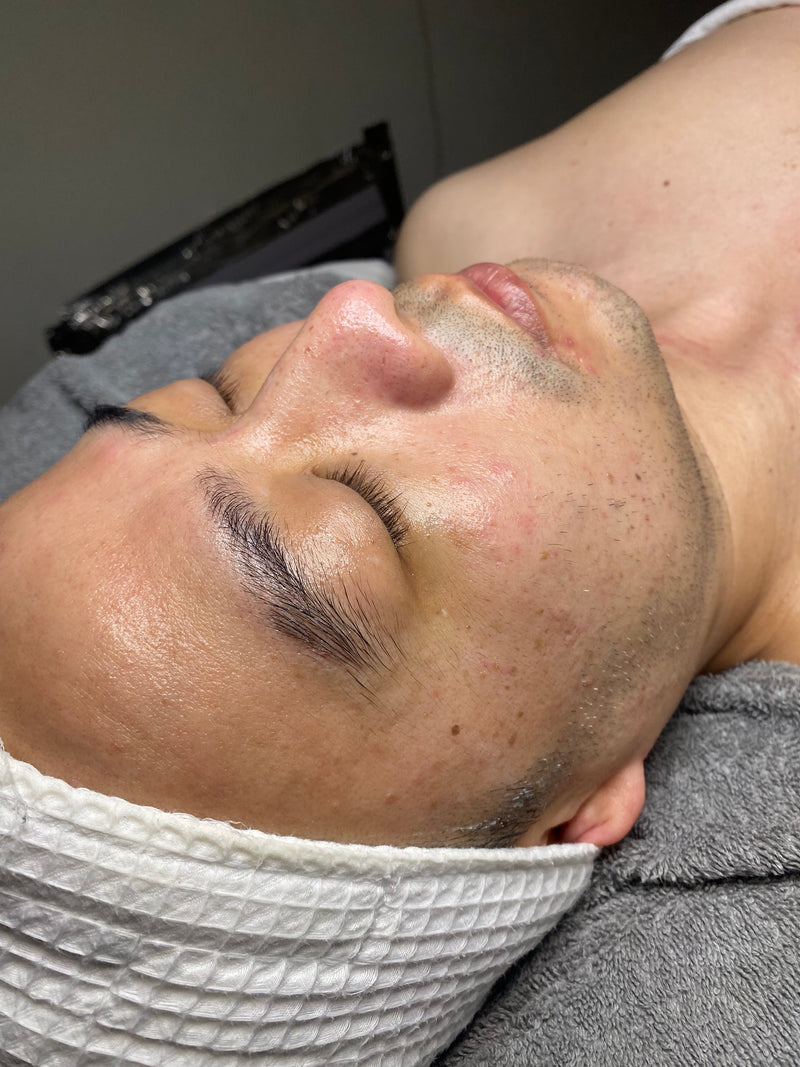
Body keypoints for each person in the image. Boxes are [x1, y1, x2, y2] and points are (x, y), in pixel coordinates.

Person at [0, 2, 798, 1064]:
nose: (349, 319)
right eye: (357, 518)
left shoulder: (470, 221)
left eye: (215, 394)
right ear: (569, 814)